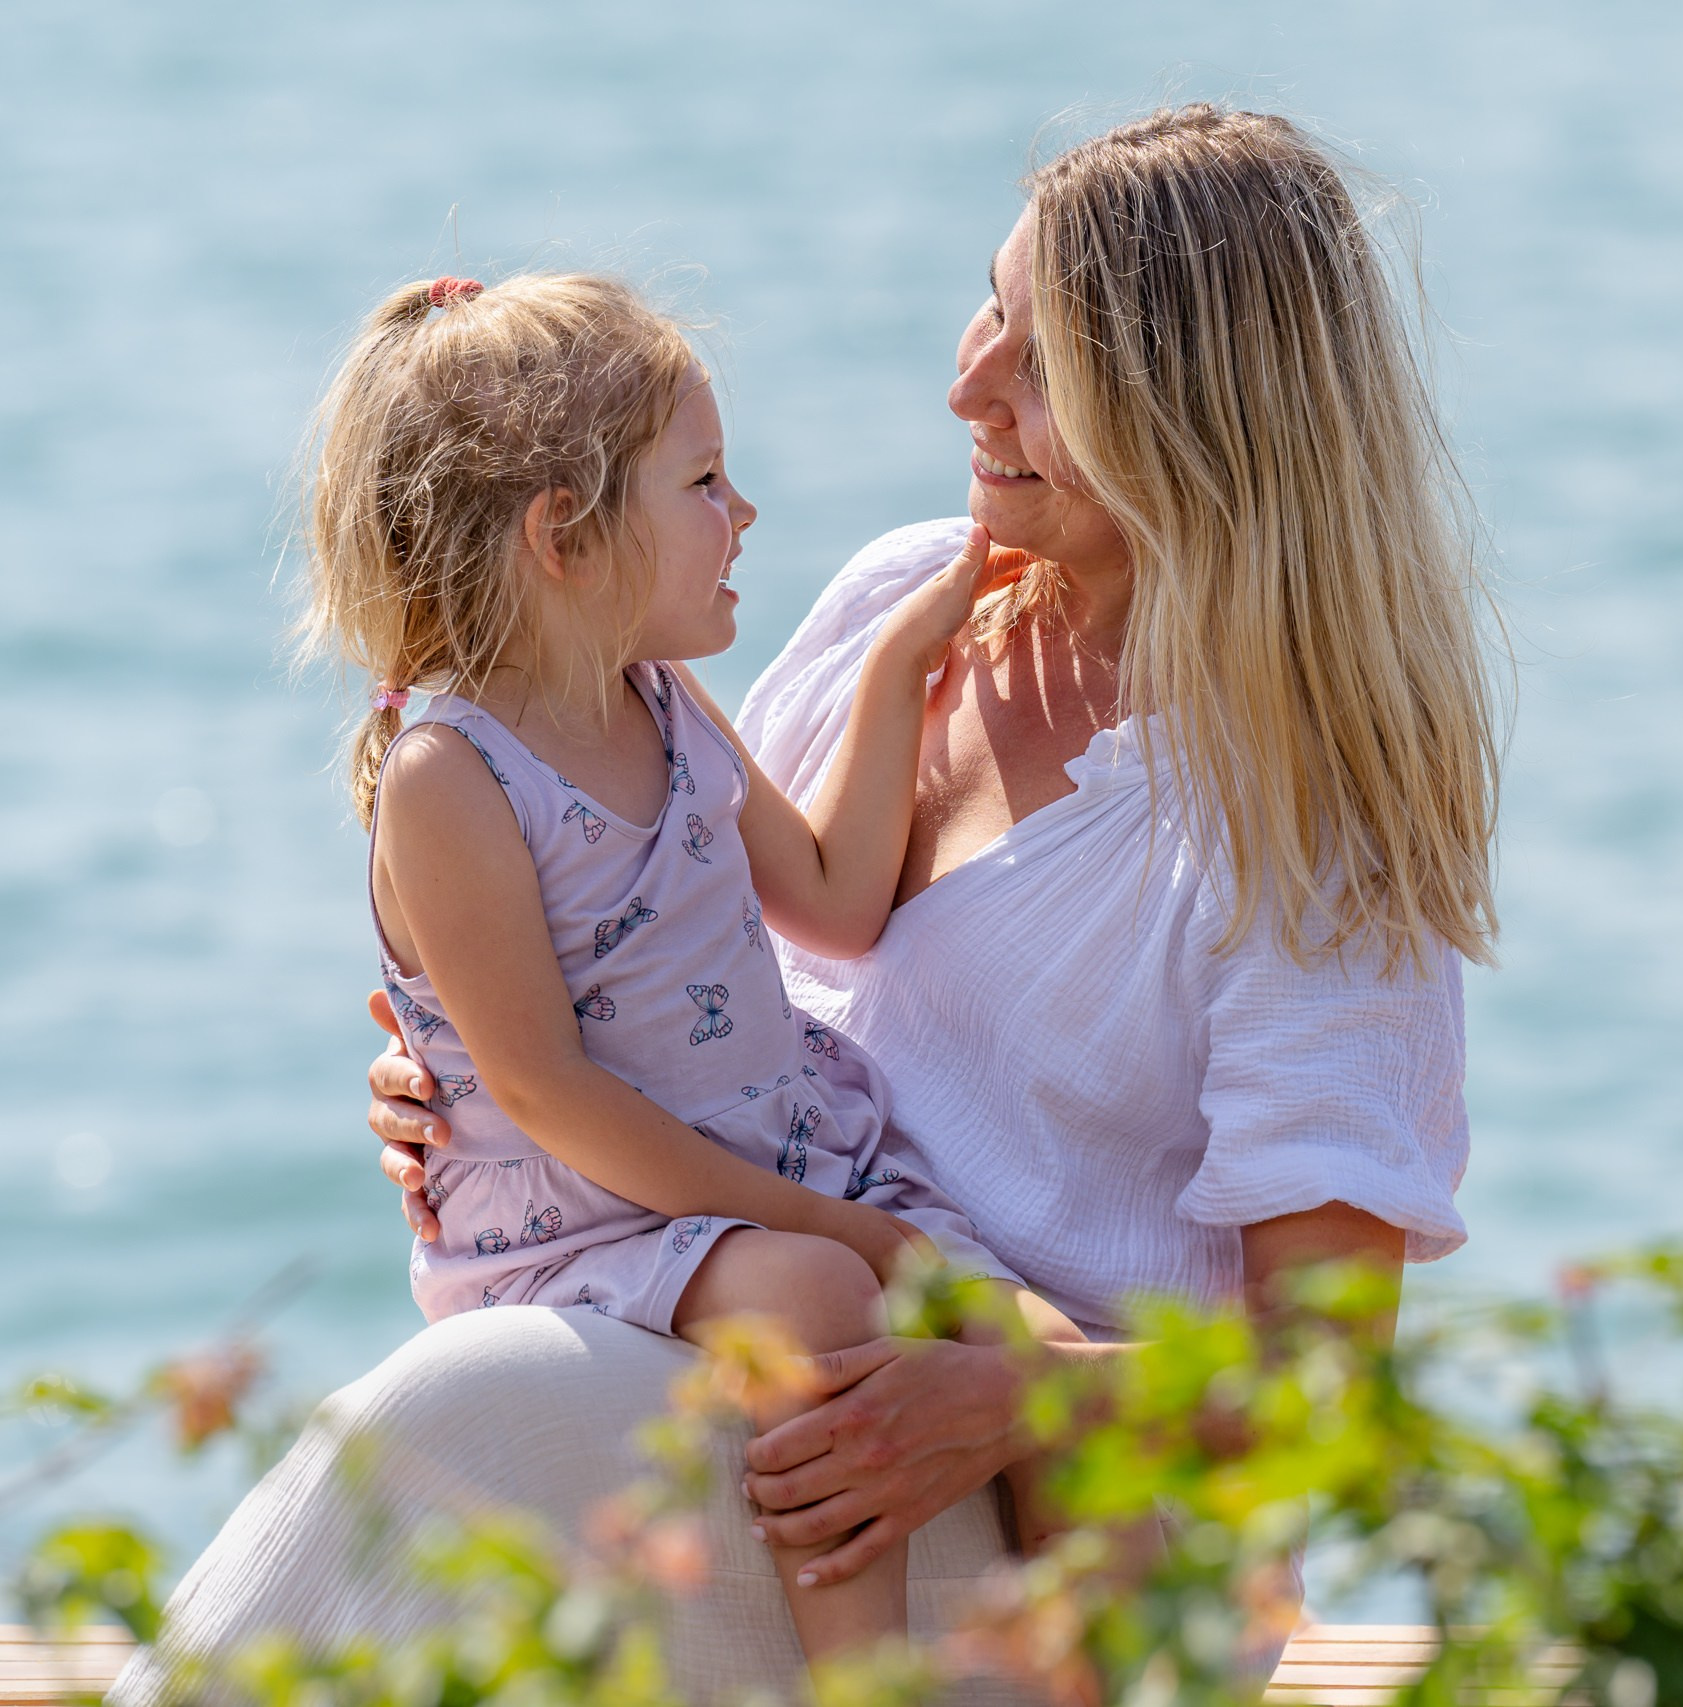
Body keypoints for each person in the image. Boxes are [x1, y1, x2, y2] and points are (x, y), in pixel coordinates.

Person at [111, 103, 1495, 1704]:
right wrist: (478, 1077)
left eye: (1042, 366)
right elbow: (670, 936)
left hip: (1059, 1514)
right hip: (797, 1341)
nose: (965, 380)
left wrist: (1005, 1407)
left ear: (1192, 416)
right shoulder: (905, 598)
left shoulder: (1306, 830)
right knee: (470, 1427)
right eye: (991, 304)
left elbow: (1327, 1395)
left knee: (466, 1416)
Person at [295, 270, 1087, 1661]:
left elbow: (837, 900)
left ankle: (1098, 1675)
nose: (744, 514)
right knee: (827, 1302)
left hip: (777, 1161)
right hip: (585, 1217)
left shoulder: (657, 699)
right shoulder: (452, 779)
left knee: (1034, 1344)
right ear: (565, 535)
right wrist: (830, 1229)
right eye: (705, 481)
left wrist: (903, 661)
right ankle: (863, 1690)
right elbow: (548, 1097)